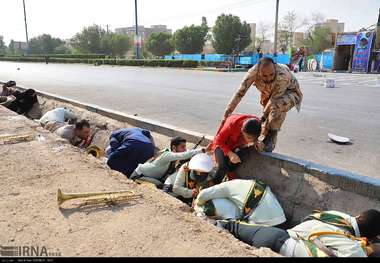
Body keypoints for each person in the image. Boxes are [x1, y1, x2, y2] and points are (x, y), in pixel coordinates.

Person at [216, 209, 380, 257]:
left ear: (359, 216)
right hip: (282, 249)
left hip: (276, 234)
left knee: (231, 227)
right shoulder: (352, 247)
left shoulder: (339, 215)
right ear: (369, 238)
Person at [223, 57, 303, 153]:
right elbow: (240, 92)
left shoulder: (282, 75)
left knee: (275, 109)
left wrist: (263, 117)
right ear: (259, 71)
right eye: (264, 76)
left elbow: (274, 100)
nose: (269, 78)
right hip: (268, 94)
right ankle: (263, 137)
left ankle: (269, 138)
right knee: (268, 118)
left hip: (290, 93)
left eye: (271, 75)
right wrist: (227, 113)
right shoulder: (253, 72)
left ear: (274, 67)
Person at [194, 179, 286, 226]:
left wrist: (198, 203)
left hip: (263, 222)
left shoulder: (226, 187)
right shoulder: (242, 183)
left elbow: (204, 194)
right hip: (281, 217)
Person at [130, 136, 205, 189]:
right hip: (138, 176)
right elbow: (183, 155)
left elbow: (187, 152)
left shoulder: (173, 154)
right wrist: (202, 150)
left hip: (151, 176)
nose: (185, 149)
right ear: (174, 148)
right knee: (161, 186)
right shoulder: (167, 155)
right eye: (182, 147)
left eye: (185, 147)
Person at [208, 114, 262, 184]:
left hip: (236, 144)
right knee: (223, 167)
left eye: (252, 138)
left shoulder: (256, 124)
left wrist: (256, 142)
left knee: (245, 154)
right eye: (248, 138)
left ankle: (230, 171)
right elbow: (219, 140)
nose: (250, 141)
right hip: (221, 144)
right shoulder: (232, 123)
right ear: (242, 131)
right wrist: (230, 153)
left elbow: (254, 137)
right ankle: (214, 183)